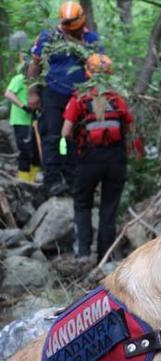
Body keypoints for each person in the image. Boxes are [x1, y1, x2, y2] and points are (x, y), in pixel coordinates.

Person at [61, 54, 138, 263]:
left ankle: (83, 254)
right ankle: (106, 256)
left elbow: (65, 132)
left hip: (89, 159)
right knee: (109, 208)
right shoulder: (118, 99)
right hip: (116, 160)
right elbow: (131, 130)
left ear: (87, 73)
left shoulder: (79, 98)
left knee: (82, 203)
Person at [28, 1, 101, 196]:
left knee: (76, 139)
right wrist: (32, 92)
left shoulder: (91, 38)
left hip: (81, 97)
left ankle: (73, 180)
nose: (72, 32)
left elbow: (100, 67)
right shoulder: (48, 37)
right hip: (53, 93)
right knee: (52, 137)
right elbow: (35, 65)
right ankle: (52, 181)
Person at [4, 62, 40, 183]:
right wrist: (23, 106)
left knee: (36, 152)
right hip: (21, 121)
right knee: (25, 151)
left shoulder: (38, 81)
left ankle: (33, 180)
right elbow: (8, 94)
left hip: (35, 121)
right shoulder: (19, 79)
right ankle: (24, 181)